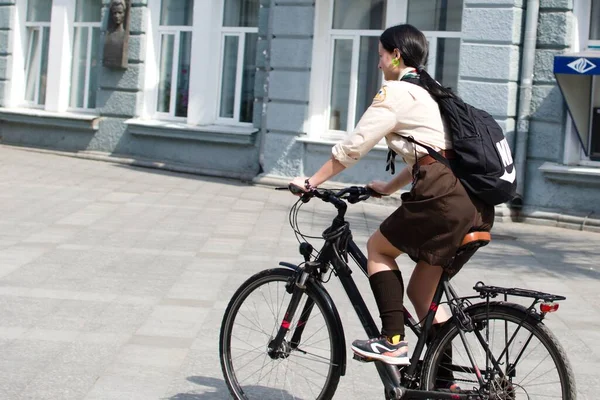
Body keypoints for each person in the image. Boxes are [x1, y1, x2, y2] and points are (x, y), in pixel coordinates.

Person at [290, 24, 494, 370]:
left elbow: (353, 147)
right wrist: (388, 187)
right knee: (421, 296)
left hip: (441, 196)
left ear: (396, 55)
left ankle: (392, 341)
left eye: (381, 55)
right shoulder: (433, 92)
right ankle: (444, 384)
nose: (379, 63)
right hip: (472, 202)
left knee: (378, 248)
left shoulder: (397, 93)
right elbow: (434, 154)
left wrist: (311, 181)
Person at [103, 0, 128, 68]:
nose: (117, 16)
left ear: (124, 13)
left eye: (120, 13)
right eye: (115, 13)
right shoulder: (108, 34)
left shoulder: (124, 34)